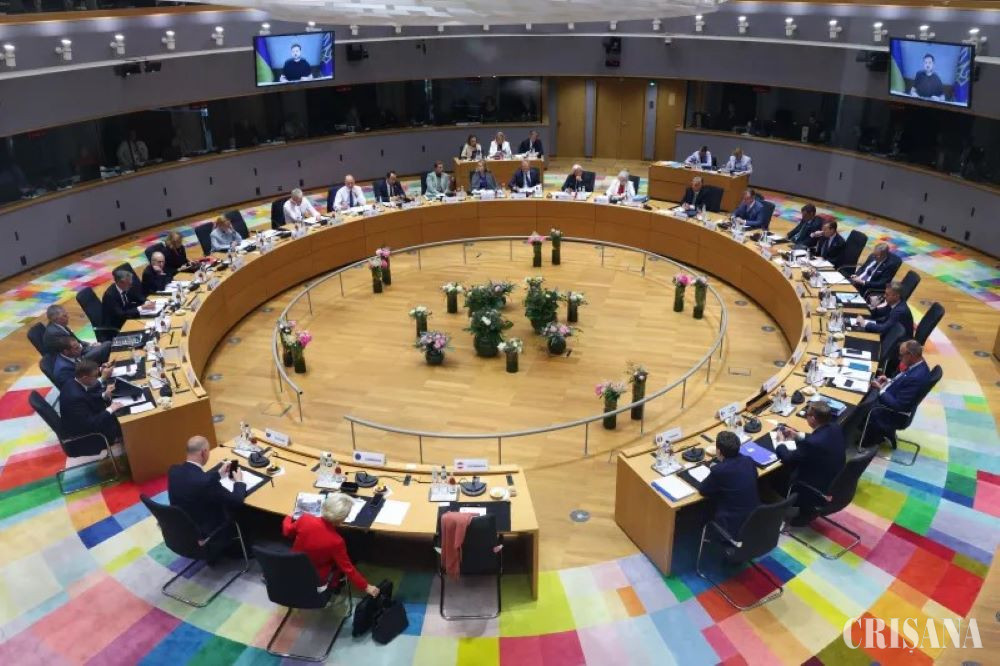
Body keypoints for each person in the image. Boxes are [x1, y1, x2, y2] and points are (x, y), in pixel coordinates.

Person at [282, 493, 381, 597]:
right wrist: (366, 586)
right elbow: (348, 569)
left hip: (293, 566)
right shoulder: (337, 541)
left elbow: (287, 532)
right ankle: (335, 585)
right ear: (342, 519)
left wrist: (288, 517)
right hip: (316, 578)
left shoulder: (305, 519)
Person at [776, 401, 846, 525]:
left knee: (775, 478)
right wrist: (798, 436)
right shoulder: (835, 427)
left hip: (815, 487)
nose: (805, 416)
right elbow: (819, 438)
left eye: (806, 415)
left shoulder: (811, 444)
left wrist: (780, 442)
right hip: (835, 479)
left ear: (813, 419)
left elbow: (787, 458)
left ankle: (804, 508)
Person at [168, 436, 248, 542]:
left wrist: (218, 474)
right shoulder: (207, 483)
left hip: (182, 527)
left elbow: (193, 478)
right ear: (203, 452)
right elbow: (236, 500)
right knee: (242, 510)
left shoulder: (173, 471)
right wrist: (239, 482)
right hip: (207, 533)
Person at [862, 340, 934, 448]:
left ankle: (869, 439)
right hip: (893, 398)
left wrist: (880, 390)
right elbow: (902, 383)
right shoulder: (919, 365)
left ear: (910, 355)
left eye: (901, 355)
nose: (899, 358)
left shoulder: (916, 377)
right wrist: (888, 381)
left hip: (893, 414)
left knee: (861, 405)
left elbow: (898, 405)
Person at [698, 430, 760, 538]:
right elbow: (755, 476)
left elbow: (703, 490)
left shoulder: (719, 471)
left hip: (732, 525)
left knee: (706, 505)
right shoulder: (748, 461)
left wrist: (716, 468)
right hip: (755, 518)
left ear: (718, 451)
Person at [59, 360, 123, 446]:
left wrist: (104, 395)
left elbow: (88, 396)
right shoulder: (76, 397)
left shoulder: (72, 382)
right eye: (95, 376)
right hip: (86, 434)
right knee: (121, 418)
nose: (98, 378)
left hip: (84, 417)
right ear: (85, 378)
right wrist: (110, 409)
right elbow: (91, 424)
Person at [42, 304, 111, 362]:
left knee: (104, 346)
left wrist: (90, 344)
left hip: (78, 351)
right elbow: (71, 352)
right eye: (64, 316)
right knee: (107, 345)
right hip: (75, 360)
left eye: (66, 314)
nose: (68, 317)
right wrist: (90, 347)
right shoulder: (55, 333)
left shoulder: (59, 325)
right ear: (56, 319)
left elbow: (77, 341)